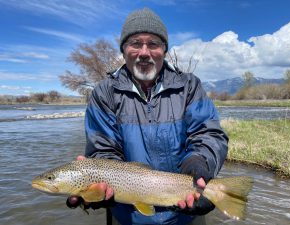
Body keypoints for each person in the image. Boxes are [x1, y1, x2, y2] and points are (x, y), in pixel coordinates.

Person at [67, 8, 228, 225]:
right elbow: (103, 148)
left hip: (185, 213)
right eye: (135, 43)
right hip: (127, 217)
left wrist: (199, 162)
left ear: (164, 50)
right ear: (124, 50)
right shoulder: (104, 93)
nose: (144, 52)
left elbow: (208, 134)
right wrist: (100, 180)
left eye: (153, 44)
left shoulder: (189, 86)